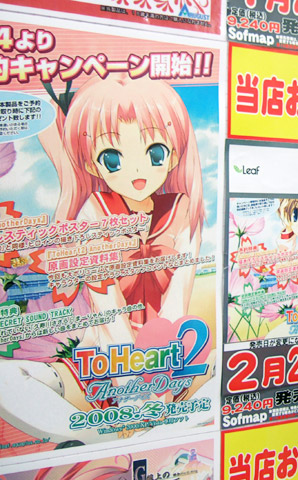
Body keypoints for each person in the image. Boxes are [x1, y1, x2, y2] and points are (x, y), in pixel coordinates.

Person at [0, 74, 210, 445]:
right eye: (112, 158)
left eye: (155, 153)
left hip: (174, 348)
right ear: (92, 165)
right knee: (8, 380)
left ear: (175, 154)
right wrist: (130, 387)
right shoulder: (92, 213)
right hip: (104, 352)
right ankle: (91, 437)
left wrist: (160, 378)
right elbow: (107, 307)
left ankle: (150, 430)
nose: (137, 172)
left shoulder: (184, 210)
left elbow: (177, 300)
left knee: (228, 369)